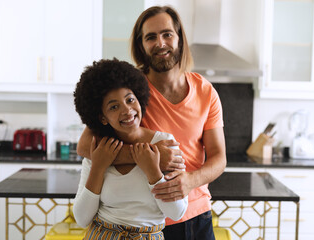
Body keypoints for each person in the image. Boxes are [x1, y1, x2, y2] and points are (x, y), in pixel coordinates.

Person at [77, 5, 226, 240]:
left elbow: (219, 158)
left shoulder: (206, 91)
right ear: (141, 45)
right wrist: (153, 156)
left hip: (195, 215)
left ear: (179, 38)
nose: (161, 43)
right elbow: (85, 147)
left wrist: (189, 181)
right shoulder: (129, 93)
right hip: (145, 220)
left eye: (167, 34)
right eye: (151, 37)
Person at [73, 58, 188, 239]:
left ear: (139, 98)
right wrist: (98, 167)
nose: (127, 110)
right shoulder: (98, 148)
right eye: (114, 106)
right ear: (103, 118)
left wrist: (153, 172)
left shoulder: (166, 143)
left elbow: (177, 212)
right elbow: (81, 218)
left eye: (130, 99)